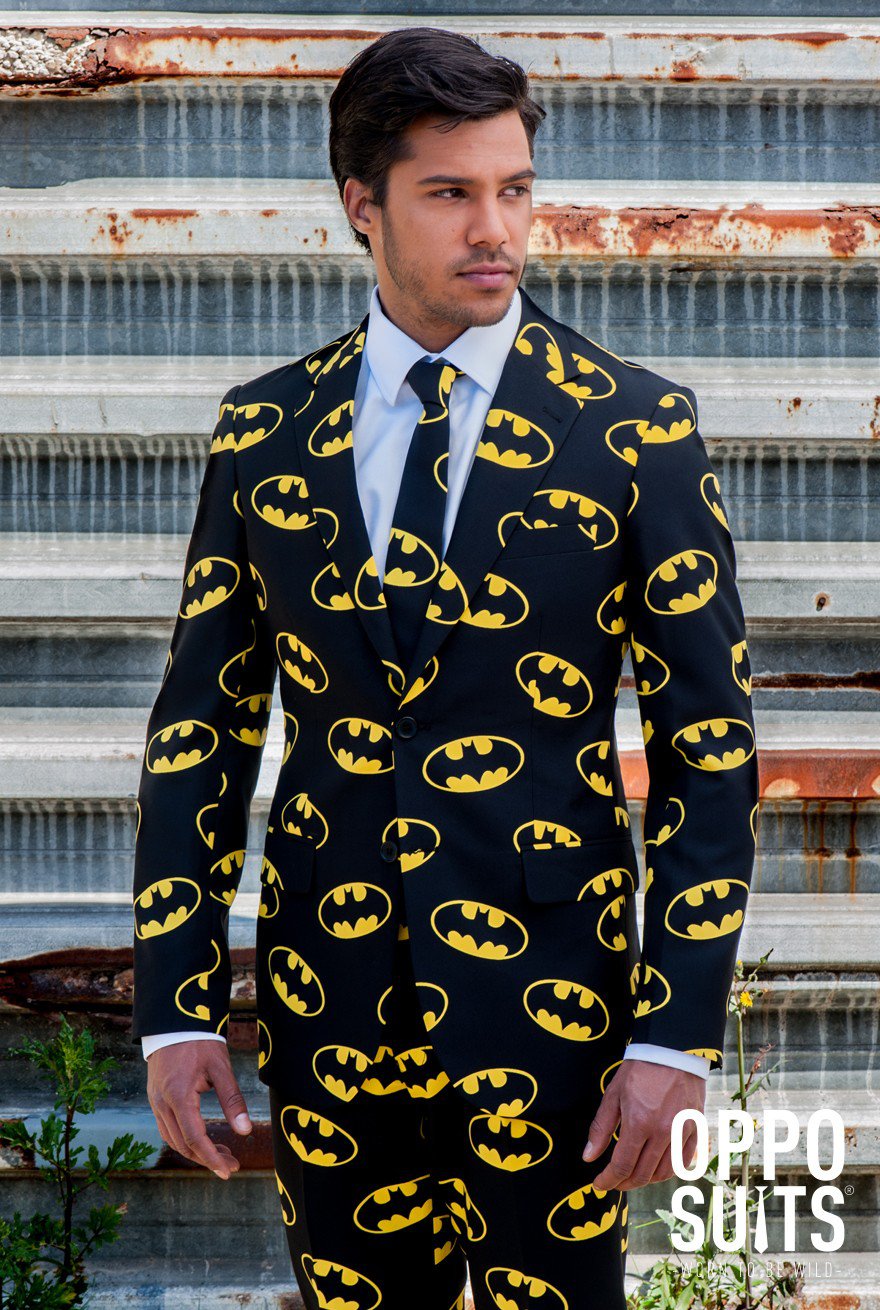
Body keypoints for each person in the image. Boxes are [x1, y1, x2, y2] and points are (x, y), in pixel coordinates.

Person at [131, 25, 759, 1310]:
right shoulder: (267, 432)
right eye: (450, 193)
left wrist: (676, 1032)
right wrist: (176, 1008)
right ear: (361, 204)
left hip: (558, 1011)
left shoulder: (632, 427)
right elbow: (201, 733)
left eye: (515, 188)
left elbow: (710, 749)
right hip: (327, 996)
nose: (496, 230)